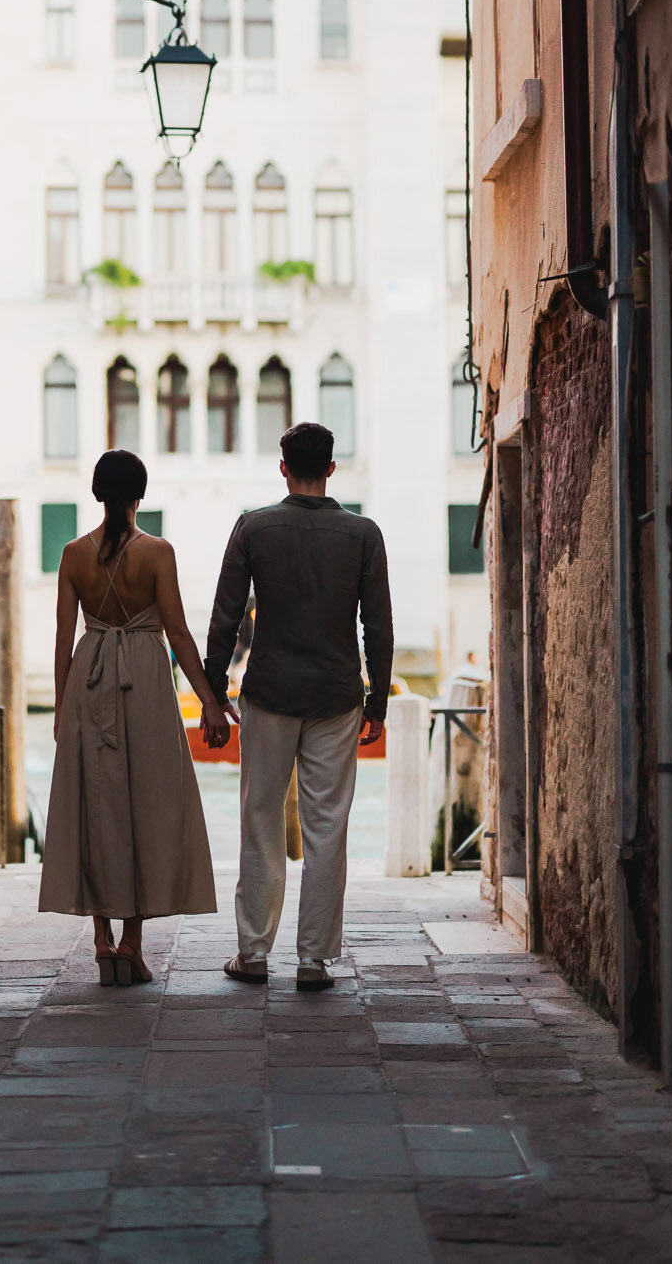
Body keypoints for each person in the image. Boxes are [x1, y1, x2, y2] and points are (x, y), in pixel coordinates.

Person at [203, 421, 393, 992]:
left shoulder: (253, 528)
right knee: (327, 826)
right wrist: (377, 700)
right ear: (332, 468)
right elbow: (377, 627)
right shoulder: (364, 535)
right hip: (336, 696)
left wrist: (213, 691)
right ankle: (313, 960)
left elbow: (225, 615)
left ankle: (254, 953)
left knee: (260, 819)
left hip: (269, 693)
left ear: (282, 467)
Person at [39, 448, 233, 985]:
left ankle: (101, 940)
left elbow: (62, 639)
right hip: (144, 680)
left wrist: (61, 705)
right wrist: (211, 702)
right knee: (146, 805)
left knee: (94, 806)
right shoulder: (158, 552)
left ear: (97, 494)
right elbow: (179, 633)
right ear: (140, 495)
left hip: (89, 679)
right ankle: (131, 945)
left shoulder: (73, 554)